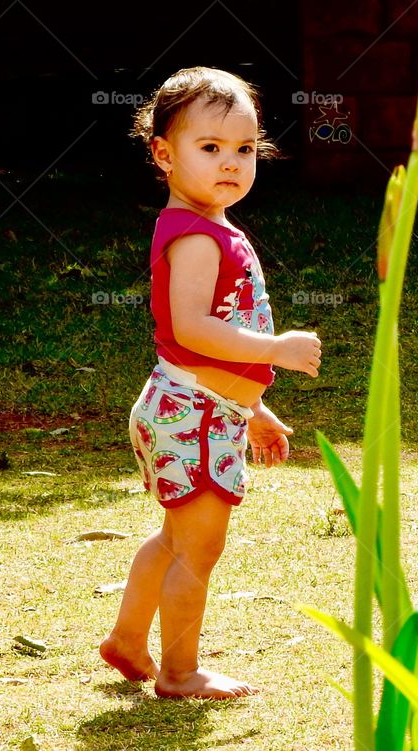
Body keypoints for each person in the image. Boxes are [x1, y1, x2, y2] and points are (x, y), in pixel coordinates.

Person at [99, 67, 322, 700]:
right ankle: (178, 672)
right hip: (192, 415)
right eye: (211, 148)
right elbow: (192, 330)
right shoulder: (196, 238)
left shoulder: (209, 227)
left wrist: (253, 408)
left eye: (245, 149)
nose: (231, 163)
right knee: (197, 550)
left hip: (187, 404)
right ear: (164, 155)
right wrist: (275, 349)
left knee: (173, 538)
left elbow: (204, 349)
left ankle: (126, 640)